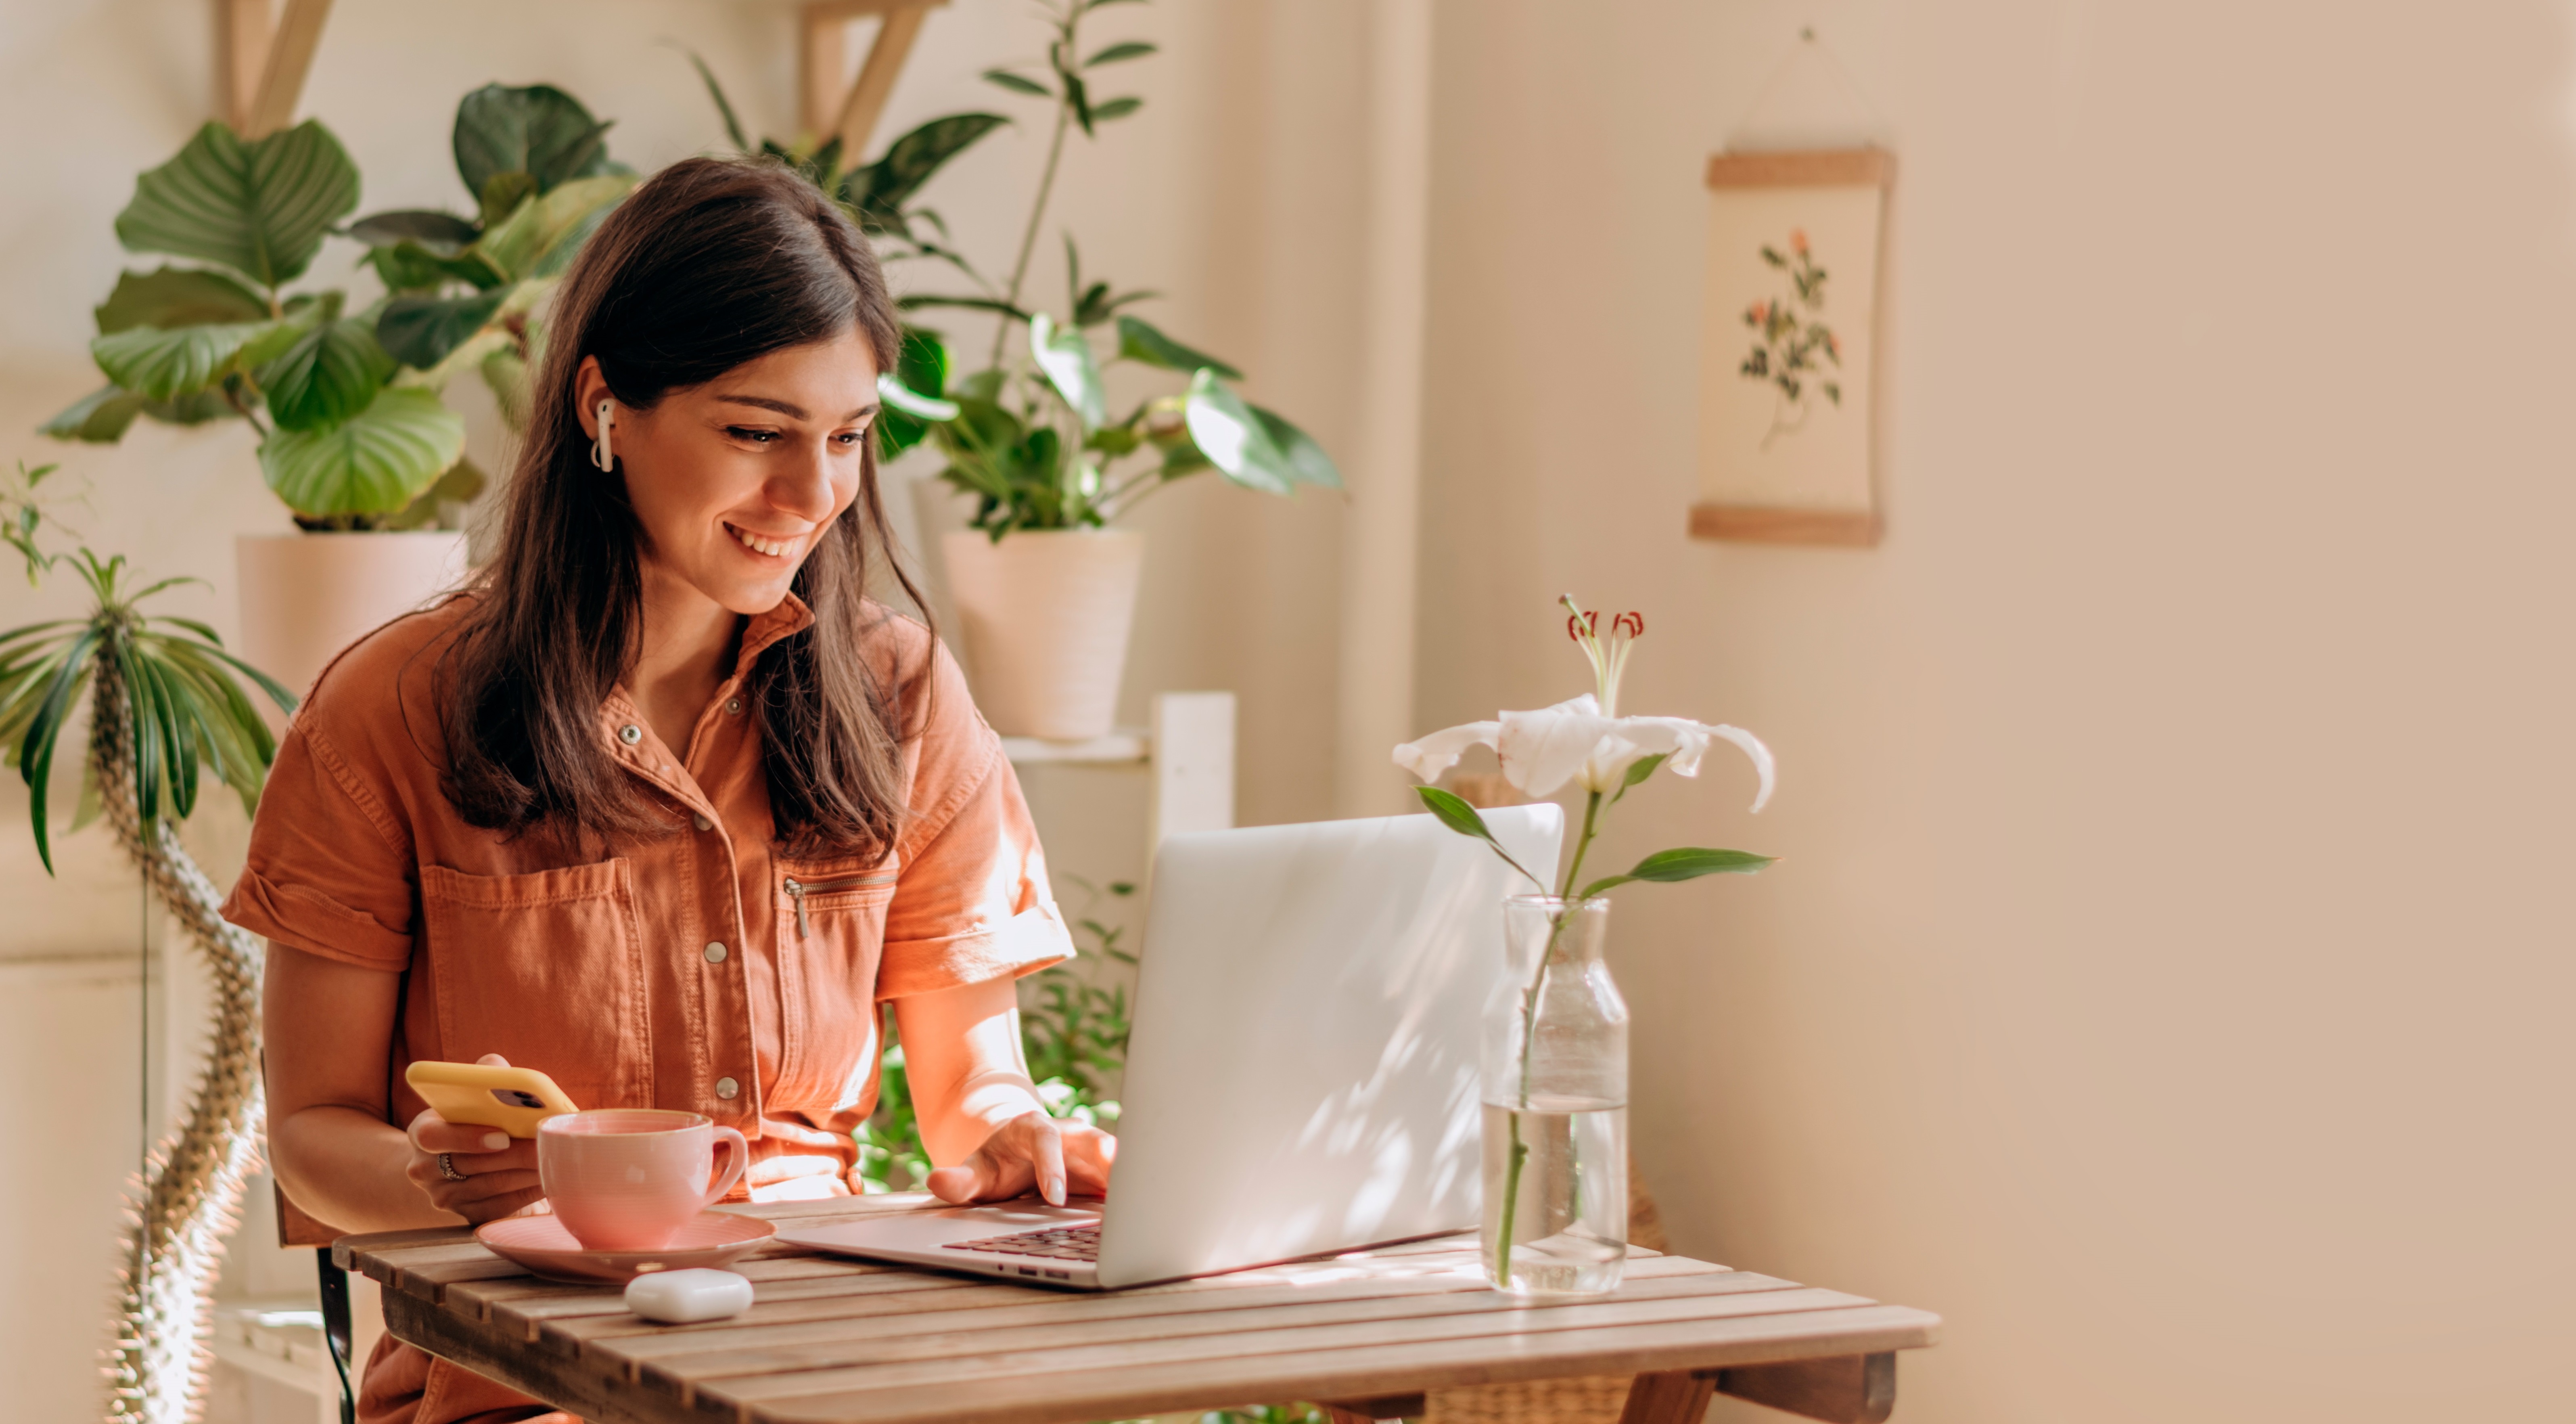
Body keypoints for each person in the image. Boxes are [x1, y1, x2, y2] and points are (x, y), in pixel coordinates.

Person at [225, 157, 1113, 1424]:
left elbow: (976, 1090)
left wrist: (1021, 1139)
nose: (813, 496)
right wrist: (447, 1183)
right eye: (756, 432)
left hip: (836, 1357)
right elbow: (312, 1128)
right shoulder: (391, 709)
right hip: (526, 1378)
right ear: (606, 407)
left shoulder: (897, 690)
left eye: (848, 437)